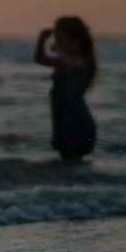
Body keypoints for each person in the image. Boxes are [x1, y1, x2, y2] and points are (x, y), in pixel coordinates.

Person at [32, 16, 97, 161]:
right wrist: (41, 40)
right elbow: (39, 59)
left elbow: (70, 62)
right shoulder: (65, 61)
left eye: (61, 38)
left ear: (77, 40)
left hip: (77, 125)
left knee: (71, 163)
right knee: (67, 164)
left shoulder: (82, 62)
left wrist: (57, 48)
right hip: (63, 120)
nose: (58, 43)